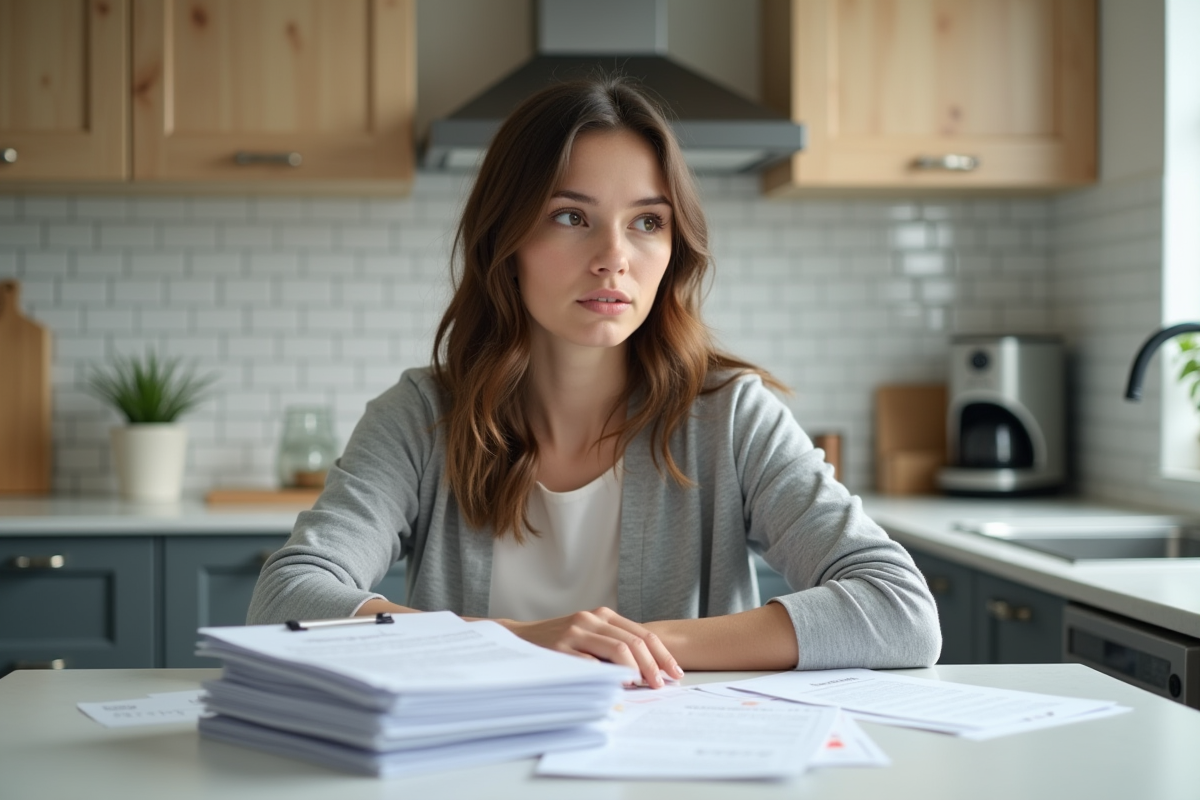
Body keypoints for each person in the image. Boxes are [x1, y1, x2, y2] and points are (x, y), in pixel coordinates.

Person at [248, 76, 941, 687]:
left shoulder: (729, 418)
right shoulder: (421, 417)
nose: (614, 258)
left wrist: (642, 644)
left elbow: (899, 610)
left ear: (673, 250)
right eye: (571, 217)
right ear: (505, 242)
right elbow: (286, 598)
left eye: (647, 222)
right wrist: (516, 640)